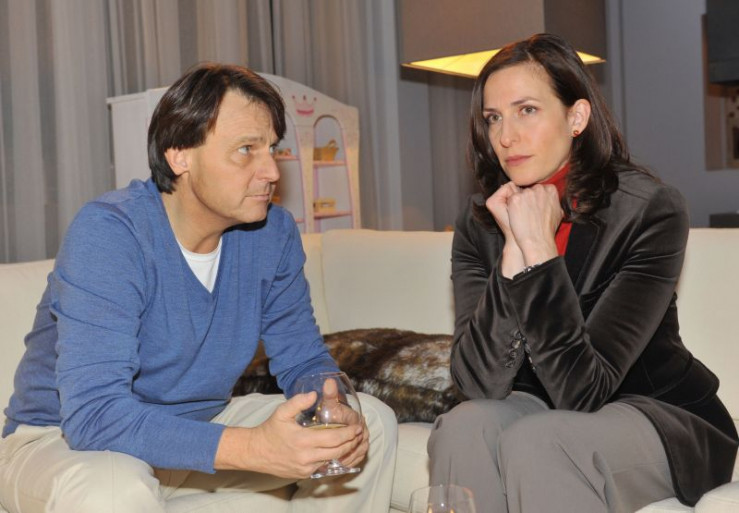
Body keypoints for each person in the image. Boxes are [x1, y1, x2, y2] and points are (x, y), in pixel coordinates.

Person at [0, 63, 397, 513]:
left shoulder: (274, 234)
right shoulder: (110, 233)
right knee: (113, 491)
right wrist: (252, 448)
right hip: (63, 443)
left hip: (196, 426)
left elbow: (303, 359)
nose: (270, 170)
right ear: (179, 156)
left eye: (272, 148)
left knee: (371, 422)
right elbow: (94, 414)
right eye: (246, 149)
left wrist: (332, 405)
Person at [428, 33, 738, 513]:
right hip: (539, 407)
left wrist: (537, 252)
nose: (505, 136)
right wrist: (513, 251)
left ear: (576, 117)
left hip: (655, 413)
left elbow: (583, 390)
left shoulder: (648, 211)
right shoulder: (481, 223)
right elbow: (477, 385)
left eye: (527, 110)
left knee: (540, 441)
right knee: (462, 427)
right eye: (493, 118)